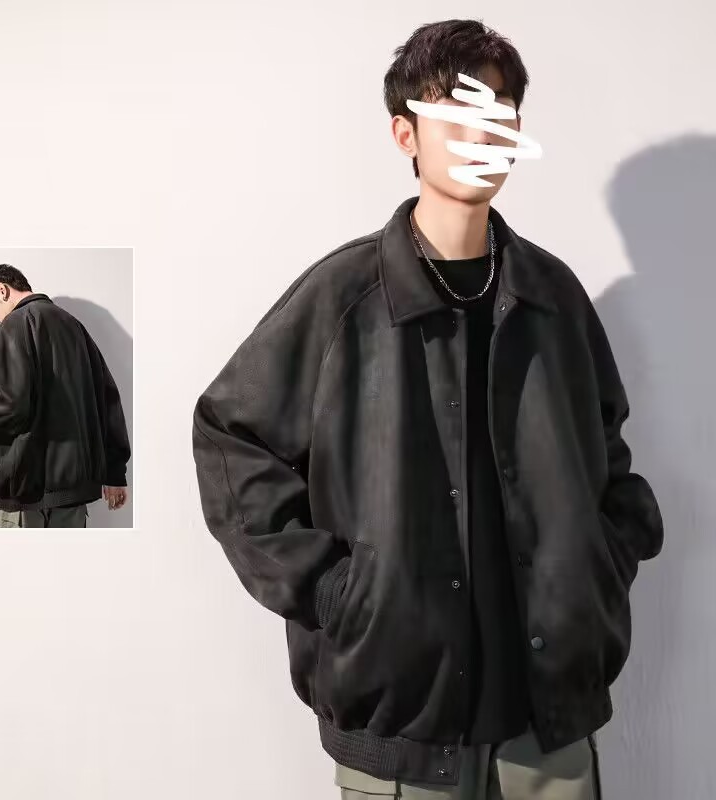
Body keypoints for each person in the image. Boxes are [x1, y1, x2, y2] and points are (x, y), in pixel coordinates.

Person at [191, 18, 663, 799]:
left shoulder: (555, 298)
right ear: (404, 134)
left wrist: (604, 560)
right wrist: (338, 593)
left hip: (550, 728)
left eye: (500, 109)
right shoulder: (342, 299)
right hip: (402, 730)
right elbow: (229, 438)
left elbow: (605, 452)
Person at [0, 263, 131, 528]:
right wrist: (115, 474)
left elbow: (8, 405)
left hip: (27, 494)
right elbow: (108, 402)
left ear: (1, 290)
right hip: (72, 495)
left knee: (19, 557)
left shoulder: (16, 324)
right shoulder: (74, 326)